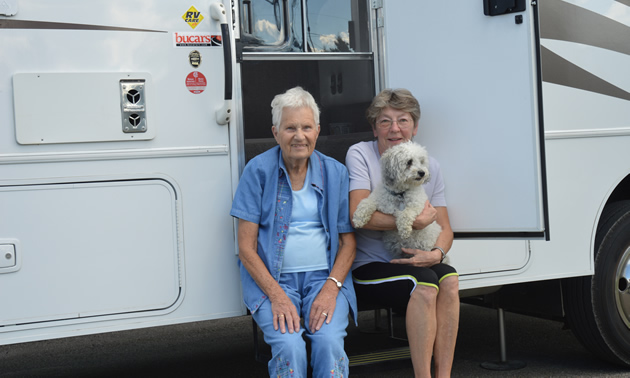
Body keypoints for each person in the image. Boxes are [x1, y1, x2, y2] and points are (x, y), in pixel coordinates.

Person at [230, 86, 357, 377]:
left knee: (327, 342)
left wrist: (330, 288)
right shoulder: (258, 171)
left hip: (324, 279)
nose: (299, 136)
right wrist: (276, 295)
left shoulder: (335, 171)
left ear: (317, 131)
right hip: (274, 281)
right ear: (275, 133)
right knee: (289, 347)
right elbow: (246, 248)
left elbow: (348, 242)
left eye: (306, 127)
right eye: (290, 128)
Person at [345, 88, 459, 378]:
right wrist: (411, 222)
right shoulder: (360, 154)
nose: (394, 128)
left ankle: (443, 375)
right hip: (369, 263)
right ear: (374, 128)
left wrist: (436, 253)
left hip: (420, 255)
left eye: (403, 120)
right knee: (425, 283)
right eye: (385, 121)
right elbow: (358, 213)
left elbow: (445, 228)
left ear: (415, 126)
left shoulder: (429, 166)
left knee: (448, 278)